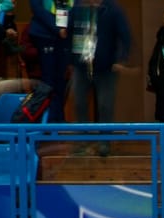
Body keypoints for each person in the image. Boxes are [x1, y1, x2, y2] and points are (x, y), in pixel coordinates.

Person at [69, 0, 130, 156]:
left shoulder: (113, 9)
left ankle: (104, 142)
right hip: (81, 65)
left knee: (105, 105)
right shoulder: (77, 7)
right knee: (79, 102)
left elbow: (125, 35)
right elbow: (70, 32)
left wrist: (120, 59)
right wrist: (70, 59)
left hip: (106, 67)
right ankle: (82, 141)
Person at [28, 0, 71, 123]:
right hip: (45, 36)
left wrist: (68, 27)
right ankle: (47, 120)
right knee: (48, 82)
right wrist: (58, 29)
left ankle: (59, 119)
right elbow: (38, 9)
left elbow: (75, 7)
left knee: (61, 81)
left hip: (64, 39)